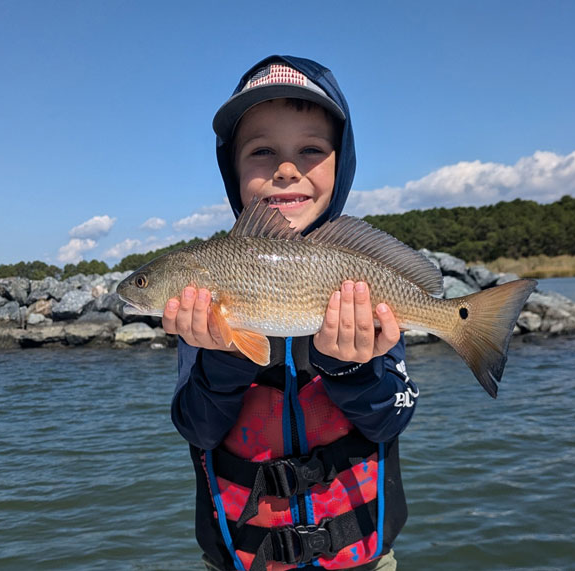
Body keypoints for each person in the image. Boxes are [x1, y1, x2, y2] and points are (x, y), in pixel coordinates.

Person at [162, 55, 418, 571]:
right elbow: (199, 430)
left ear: (342, 163)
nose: (285, 169)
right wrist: (224, 356)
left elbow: (392, 418)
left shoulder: (361, 282)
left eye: (311, 149)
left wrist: (351, 368)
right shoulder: (204, 303)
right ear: (232, 170)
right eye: (262, 151)